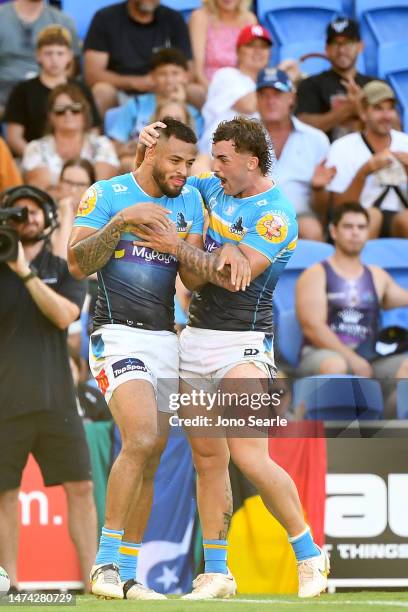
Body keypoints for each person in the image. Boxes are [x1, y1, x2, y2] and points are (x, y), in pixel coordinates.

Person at [136, 116, 329, 599]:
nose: (212, 167)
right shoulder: (209, 187)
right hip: (195, 340)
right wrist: (146, 152)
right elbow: (164, 182)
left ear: (251, 160)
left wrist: (181, 248)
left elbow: (230, 278)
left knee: (249, 457)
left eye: (223, 159)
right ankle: (218, 572)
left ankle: (309, 555)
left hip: (244, 345)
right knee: (207, 460)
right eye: (213, 158)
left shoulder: (275, 215)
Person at [67, 118, 248, 600]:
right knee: (143, 435)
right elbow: (76, 262)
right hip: (115, 336)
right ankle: (103, 566)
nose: (183, 172)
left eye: (190, 163)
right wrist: (122, 221)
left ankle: (125, 573)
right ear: (150, 153)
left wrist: (182, 250)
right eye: (175, 160)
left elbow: (190, 282)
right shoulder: (106, 193)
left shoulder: (188, 200)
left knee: (150, 454)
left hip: (167, 338)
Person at [0, 185, 97, 592]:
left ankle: (94, 581)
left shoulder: (65, 268)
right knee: (5, 493)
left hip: (57, 397)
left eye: (34, 211)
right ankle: (10, 583)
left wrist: (24, 271)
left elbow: (64, 316)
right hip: (5, 401)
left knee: (81, 487)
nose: (28, 218)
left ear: (48, 218)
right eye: (18, 214)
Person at [296, 201, 408, 385]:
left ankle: (394, 413)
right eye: (348, 226)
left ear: (367, 232)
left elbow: (399, 298)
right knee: (336, 366)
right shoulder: (315, 274)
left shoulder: (377, 275)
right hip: (323, 354)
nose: (355, 232)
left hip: (369, 356)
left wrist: (360, 361)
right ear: (333, 231)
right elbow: (313, 328)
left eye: (361, 227)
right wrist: (352, 359)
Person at [256, 67, 335, 241]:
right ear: (257, 99)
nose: (270, 101)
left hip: (299, 216)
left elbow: (324, 209)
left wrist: (318, 188)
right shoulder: (242, 135)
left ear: (291, 97)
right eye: (264, 95)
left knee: (312, 230)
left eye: (277, 94)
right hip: (253, 213)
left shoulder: (316, 139)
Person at [326, 80, 408, 238]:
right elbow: (338, 208)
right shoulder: (342, 147)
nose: (386, 116)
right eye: (378, 109)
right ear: (363, 113)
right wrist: (364, 172)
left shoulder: (405, 143)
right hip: (359, 221)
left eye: (390, 109)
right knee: (372, 217)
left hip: (400, 217)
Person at [83, 0, 193, 117]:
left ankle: (192, 133)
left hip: (163, 89)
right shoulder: (105, 18)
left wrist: (171, 84)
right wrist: (134, 82)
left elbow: (189, 69)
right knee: (102, 91)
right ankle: (107, 134)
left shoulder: (174, 18)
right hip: (121, 92)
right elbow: (92, 74)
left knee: (195, 91)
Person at [4, 24, 100, 158]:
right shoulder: (22, 90)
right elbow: (14, 137)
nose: (54, 59)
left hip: (79, 160)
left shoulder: (82, 89)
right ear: (38, 56)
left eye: (60, 53)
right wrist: (38, 159)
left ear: (69, 56)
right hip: (34, 159)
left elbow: (93, 130)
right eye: (48, 53)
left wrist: (79, 161)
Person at [107, 48, 203, 170]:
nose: (169, 80)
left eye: (175, 73)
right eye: (163, 74)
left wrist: (179, 103)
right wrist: (134, 149)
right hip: (138, 160)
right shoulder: (136, 105)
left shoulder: (193, 113)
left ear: (185, 76)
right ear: (152, 77)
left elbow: (195, 150)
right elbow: (116, 145)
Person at [21, 83, 119, 191]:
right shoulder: (35, 148)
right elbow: (41, 190)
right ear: (50, 116)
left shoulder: (102, 145)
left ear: (84, 113)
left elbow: (102, 188)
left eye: (75, 109)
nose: (68, 113)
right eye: (60, 110)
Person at [296, 16, 373, 142]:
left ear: (360, 46)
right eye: (335, 43)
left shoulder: (374, 85)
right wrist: (348, 109)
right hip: (326, 158)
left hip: (371, 157)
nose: (341, 50)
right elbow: (301, 128)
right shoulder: (311, 84)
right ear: (326, 48)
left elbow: (395, 128)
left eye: (348, 43)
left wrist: (362, 108)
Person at [199, 23, 272, 155]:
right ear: (238, 51)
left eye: (263, 47)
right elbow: (248, 105)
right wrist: (278, 76)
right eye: (251, 45)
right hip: (217, 153)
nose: (258, 51)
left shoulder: (271, 85)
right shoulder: (226, 74)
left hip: (254, 156)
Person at [0, 0, 80, 116]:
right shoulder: (2, 16)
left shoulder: (63, 21)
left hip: (49, 88)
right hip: (5, 87)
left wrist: (59, 89)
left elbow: (72, 64)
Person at [188, 0, 257, 90]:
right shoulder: (200, 17)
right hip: (208, 85)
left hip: (240, 86)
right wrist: (215, 93)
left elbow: (252, 66)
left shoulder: (249, 19)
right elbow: (198, 71)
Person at [52, 158, 96, 259]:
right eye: (68, 182)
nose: (73, 190)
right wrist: (67, 214)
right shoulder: (47, 216)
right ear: (59, 183)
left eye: (81, 185)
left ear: (91, 188)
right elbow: (60, 261)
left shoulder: (96, 222)